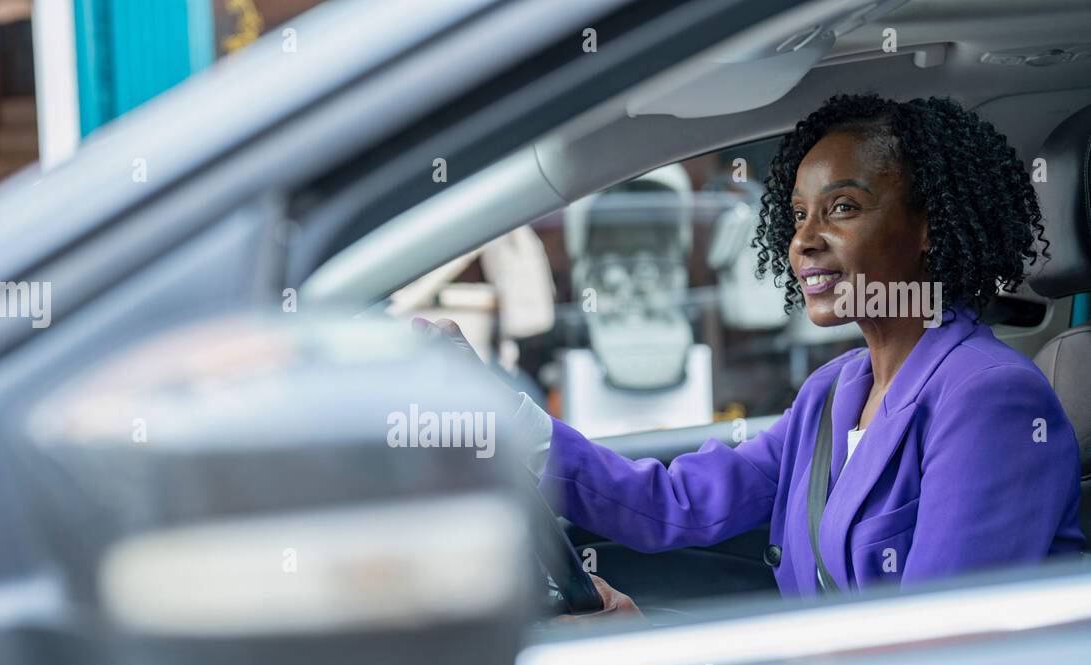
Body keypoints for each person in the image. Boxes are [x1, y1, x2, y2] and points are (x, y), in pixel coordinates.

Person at [417, 93, 1084, 613]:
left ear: (928, 226)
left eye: (842, 208)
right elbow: (673, 505)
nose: (804, 241)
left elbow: (938, 657)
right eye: (797, 215)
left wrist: (656, 657)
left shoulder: (990, 395)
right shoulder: (833, 390)